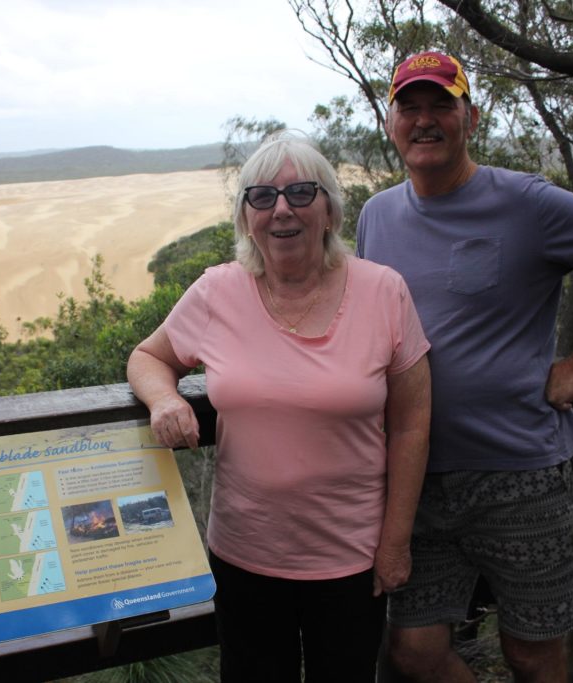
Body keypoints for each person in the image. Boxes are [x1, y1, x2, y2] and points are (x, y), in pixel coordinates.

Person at [356, 52, 573, 683]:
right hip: (416, 481)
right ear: (391, 122)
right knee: (412, 650)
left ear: (470, 118)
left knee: (534, 652)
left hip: (520, 473)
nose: (424, 121)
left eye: (441, 106)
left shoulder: (527, 202)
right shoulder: (378, 215)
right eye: (410, 107)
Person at [127, 132, 432, 682]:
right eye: (262, 197)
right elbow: (149, 357)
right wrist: (165, 397)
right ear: (246, 218)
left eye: (301, 193)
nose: (282, 210)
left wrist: (395, 542)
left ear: (331, 208)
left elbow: (411, 425)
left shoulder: (385, 291)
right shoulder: (217, 291)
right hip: (244, 557)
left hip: (351, 560)